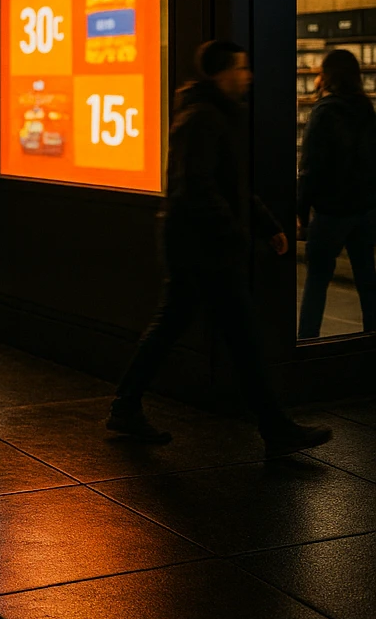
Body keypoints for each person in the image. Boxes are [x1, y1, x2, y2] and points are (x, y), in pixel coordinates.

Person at [108, 40, 332, 455]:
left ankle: (126, 404)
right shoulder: (203, 118)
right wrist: (237, 232)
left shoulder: (210, 114)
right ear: (220, 72)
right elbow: (201, 188)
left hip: (194, 241)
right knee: (243, 334)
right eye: (241, 69)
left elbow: (230, 185)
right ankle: (275, 426)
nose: (247, 76)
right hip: (204, 246)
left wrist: (265, 224)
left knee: (176, 325)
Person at [296, 48, 376, 338]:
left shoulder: (324, 112)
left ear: (326, 76)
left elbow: (310, 168)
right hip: (364, 210)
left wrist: (301, 213)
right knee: (367, 281)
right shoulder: (366, 109)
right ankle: (370, 340)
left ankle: (307, 341)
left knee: (317, 282)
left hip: (331, 213)